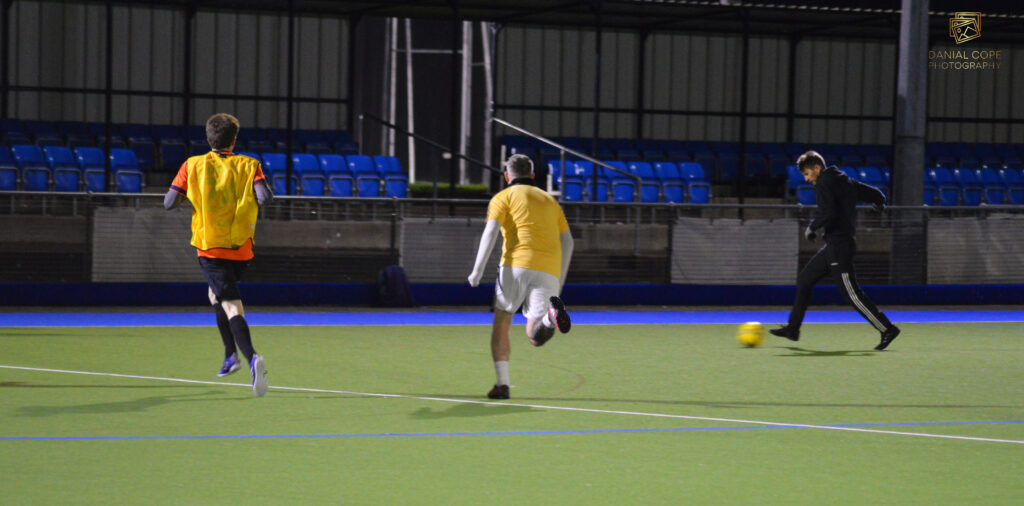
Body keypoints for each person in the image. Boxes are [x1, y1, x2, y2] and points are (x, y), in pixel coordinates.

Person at [164, 113, 274, 396]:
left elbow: (169, 203)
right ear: (234, 140)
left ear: (208, 138)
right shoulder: (250, 165)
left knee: (231, 305)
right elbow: (264, 197)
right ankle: (230, 356)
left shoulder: (192, 165)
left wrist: (190, 200)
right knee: (216, 295)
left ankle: (251, 358)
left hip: (210, 247)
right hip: (242, 248)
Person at [468, 154, 574, 399]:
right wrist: (560, 280)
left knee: (502, 322)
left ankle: (502, 385)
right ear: (533, 175)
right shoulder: (550, 200)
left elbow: (491, 230)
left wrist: (477, 270)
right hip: (549, 269)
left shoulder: (503, 197)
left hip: (514, 265)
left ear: (507, 176)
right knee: (535, 336)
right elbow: (568, 241)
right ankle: (550, 318)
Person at [771, 150, 901, 350]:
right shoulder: (845, 181)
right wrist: (879, 202)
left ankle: (887, 328)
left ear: (817, 168)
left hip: (840, 247)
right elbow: (872, 193)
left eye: (807, 174)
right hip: (834, 245)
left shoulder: (824, 182)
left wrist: (812, 227)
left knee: (852, 294)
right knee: (805, 280)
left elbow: (827, 212)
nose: (806, 179)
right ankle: (793, 329)